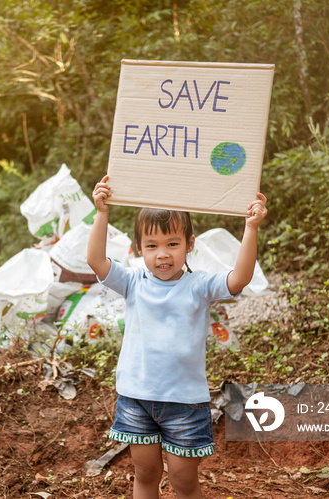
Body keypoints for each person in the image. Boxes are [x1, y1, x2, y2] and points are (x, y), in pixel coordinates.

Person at [86, 175, 267, 499]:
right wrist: (102, 213)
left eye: (172, 244)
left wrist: (250, 228)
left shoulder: (198, 286)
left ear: (190, 243)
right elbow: (96, 261)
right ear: (139, 248)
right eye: (152, 246)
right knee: (145, 474)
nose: (162, 255)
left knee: (184, 482)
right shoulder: (133, 282)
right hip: (137, 398)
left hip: (184, 403)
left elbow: (239, 279)